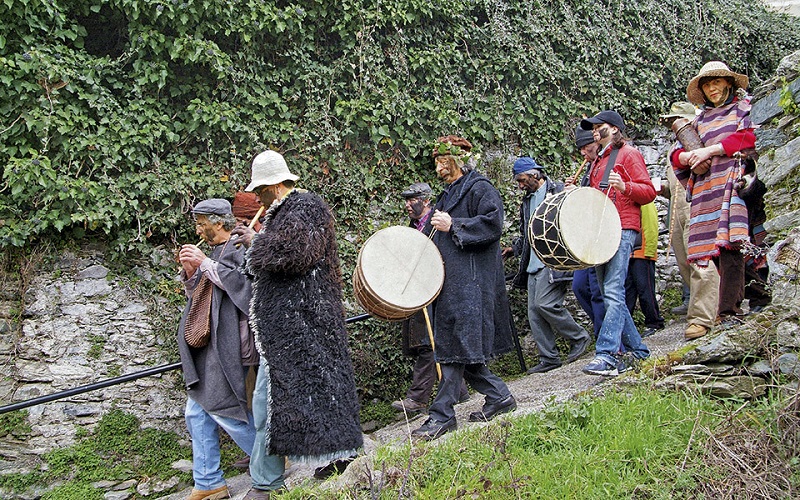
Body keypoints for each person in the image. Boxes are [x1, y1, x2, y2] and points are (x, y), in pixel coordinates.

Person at [231, 150, 363, 498]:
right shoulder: (286, 212)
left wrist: (255, 241)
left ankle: (269, 482)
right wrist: (257, 244)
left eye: (258, 190)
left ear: (274, 186)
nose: (256, 197)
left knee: (298, 397)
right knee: (291, 399)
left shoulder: (306, 207)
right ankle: (320, 461)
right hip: (292, 327)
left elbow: (295, 254)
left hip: (306, 323)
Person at [411, 135, 517, 441]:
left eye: (441, 161)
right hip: (451, 282)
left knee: (456, 349)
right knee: (458, 349)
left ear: (456, 160)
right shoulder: (447, 195)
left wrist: (455, 225)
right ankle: (499, 396)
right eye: (436, 161)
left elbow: (493, 224)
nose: (437, 167)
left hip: (472, 283)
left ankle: (442, 415)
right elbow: (432, 234)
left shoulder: (480, 188)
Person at [177, 198, 258, 500]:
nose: (198, 229)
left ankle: (269, 460)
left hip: (232, 343)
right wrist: (190, 273)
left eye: (202, 224)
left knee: (223, 408)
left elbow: (244, 290)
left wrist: (204, 264)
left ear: (219, 223)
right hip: (211, 342)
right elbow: (201, 298)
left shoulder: (241, 246)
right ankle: (209, 481)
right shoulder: (213, 251)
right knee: (196, 412)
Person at [670, 61, 755, 327]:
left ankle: (730, 311)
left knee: (730, 247)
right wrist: (687, 156)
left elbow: (747, 139)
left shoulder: (743, 110)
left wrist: (710, 150)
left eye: (716, 82)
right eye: (707, 85)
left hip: (731, 185)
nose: (712, 88)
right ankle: (723, 309)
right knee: (710, 253)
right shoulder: (699, 121)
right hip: (706, 191)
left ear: (729, 83)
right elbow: (676, 155)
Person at [578, 111, 655, 376]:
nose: (595, 132)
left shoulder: (629, 154)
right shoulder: (598, 162)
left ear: (614, 129)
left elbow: (648, 192)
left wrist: (625, 186)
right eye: (594, 128)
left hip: (623, 228)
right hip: (603, 231)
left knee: (612, 290)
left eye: (599, 127)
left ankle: (608, 354)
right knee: (609, 293)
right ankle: (639, 351)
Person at [503, 157, 590, 373]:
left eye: (522, 180)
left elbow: (575, 218)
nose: (520, 185)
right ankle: (549, 358)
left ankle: (579, 337)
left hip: (553, 261)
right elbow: (527, 232)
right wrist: (514, 249)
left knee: (544, 304)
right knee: (534, 312)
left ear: (535, 175)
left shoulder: (558, 190)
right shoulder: (527, 201)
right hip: (532, 264)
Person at [391, 182, 469, 414]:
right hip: (422, 292)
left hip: (442, 290)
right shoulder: (412, 228)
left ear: (426, 201)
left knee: (430, 343)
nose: (407, 205)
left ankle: (418, 398)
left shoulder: (438, 223)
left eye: (411, 200)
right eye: (405, 200)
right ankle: (460, 390)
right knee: (432, 341)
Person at [660, 102, 720, 340]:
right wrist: (663, 189)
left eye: (677, 118)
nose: (674, 123)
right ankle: (703, 308)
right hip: (677, 209)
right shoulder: (673, 150)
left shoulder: (699, 140)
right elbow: (675, 183)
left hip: (697, 203)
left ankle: (705, 315)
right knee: (684, 260)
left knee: (700, 258)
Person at [568, 125, 606, 338]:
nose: (583, 152)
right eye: (580, 149)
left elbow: (598, 198)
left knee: (598, 289)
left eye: (586, 147)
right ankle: (601, 328)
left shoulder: (603, 164)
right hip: (585, 240)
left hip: (598, 236)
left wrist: (579, 192)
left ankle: (604, 334)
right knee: (580, 287)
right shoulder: (589, 169)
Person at [624, 201, 665, 336]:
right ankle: (626, 327)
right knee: (628, 291)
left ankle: (654, 322)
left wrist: (649, 250)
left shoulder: (645, 201)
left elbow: (651, 224)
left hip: (642, 252)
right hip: (629, 253)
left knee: (645, 289)